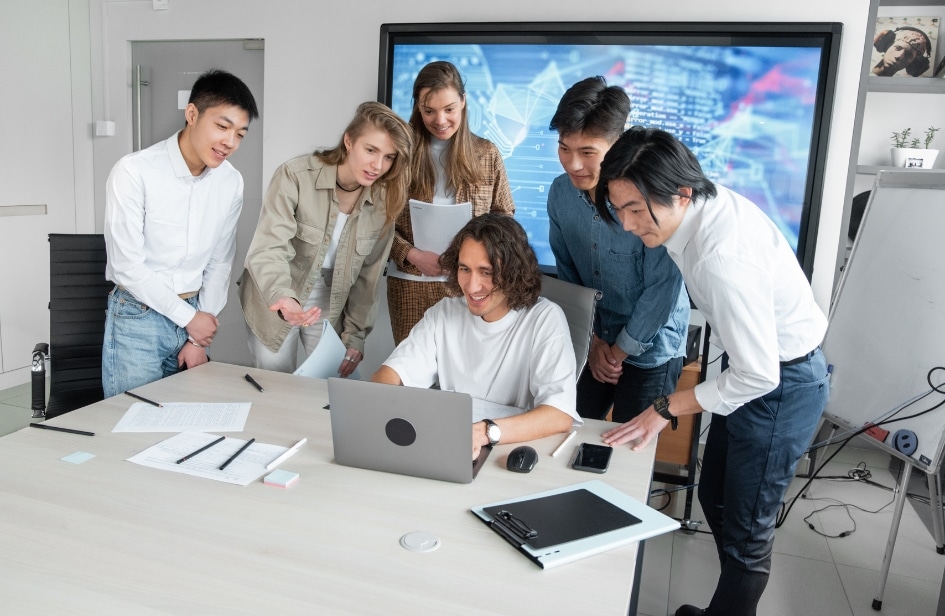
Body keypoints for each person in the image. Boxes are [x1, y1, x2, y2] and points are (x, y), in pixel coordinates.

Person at [596, 127, 830, 616]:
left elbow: (759, 375)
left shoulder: (722, 255)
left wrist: (665, 406)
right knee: (715, 496)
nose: (626, 225)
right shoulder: (698, 205)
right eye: (619, 210)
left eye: (636, 209)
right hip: (754, 374)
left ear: (679, 192)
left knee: (747, 533)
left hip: (782, 386)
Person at [102, 69, 258, 398]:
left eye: (240, 134)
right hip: (137, 316)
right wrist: (190, 320)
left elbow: (219, 262)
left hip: (194, 315)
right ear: (192, 114)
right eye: (222, 126)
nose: (230, 142)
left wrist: (196, 335)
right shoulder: (134, 172)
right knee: (132, 422)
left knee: (182, 426)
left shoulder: (231, 182)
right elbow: (125, 266)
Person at [372, 213, 579, 458]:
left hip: (510, 448)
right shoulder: (445, 313)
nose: (471, 286)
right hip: (452, 444)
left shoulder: (545, 319)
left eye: (486, 272)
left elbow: (559, 414)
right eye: (464, 269)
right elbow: (389, 375)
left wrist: (482, 432)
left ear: (514, 271)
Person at [548, 76, 690, 423]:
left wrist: (618, 351)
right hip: (595, 341)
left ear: (617, 145)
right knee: (568, 429)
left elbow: (662, 289)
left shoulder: (649, 198)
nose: (573, 164)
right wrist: (594, 341)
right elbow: (568, 274)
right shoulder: (560, 194)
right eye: (565, 148)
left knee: (630, 452)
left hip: (651, 346)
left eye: (587, 153)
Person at [238, 102, 412, 374]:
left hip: (331, 297)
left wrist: (355, 336)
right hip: (276, 290)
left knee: (332, 383)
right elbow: (268, 249)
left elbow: (369, 277)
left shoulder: (384, 202)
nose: (378, 165)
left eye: (389, 157)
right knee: (275, 382)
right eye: (371, 150)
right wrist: (284, 297)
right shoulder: (294, 176)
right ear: (349, 141)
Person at [386, 61, 515, 345]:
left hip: (469, 288)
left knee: (463, 377)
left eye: (449, 109)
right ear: (417, 106)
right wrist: (411, 254)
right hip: (410, 285)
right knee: (413, 378)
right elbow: (376, 220)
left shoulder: (487, 153)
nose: (440, 120)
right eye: (428, 110)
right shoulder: (398, 153)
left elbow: (504, 218)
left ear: (464, 103)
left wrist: (478, 261)